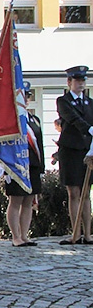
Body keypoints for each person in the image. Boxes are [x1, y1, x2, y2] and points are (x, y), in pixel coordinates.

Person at [55, 65, 93, 245]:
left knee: (85, 193)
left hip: (87, 150)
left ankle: (88, 233)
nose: (81, 84)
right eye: (77, 80)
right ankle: (75, 233)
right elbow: (71, 117)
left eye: (83, 80)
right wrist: (89, 128)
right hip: (70, 150)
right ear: (69, 82)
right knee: (74, 192)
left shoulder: (90, 102)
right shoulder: (63, 101)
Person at [4, 81, 44, 247]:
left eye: (28, 96)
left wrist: (42, 168)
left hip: (32, 165)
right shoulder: (10, 120)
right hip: (16, 165)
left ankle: (25, 235)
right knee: (16, 201)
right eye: (22, 96)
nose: (26, 99)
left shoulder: (34, 119)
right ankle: (16, 236)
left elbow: (40, 145)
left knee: (28, 201)